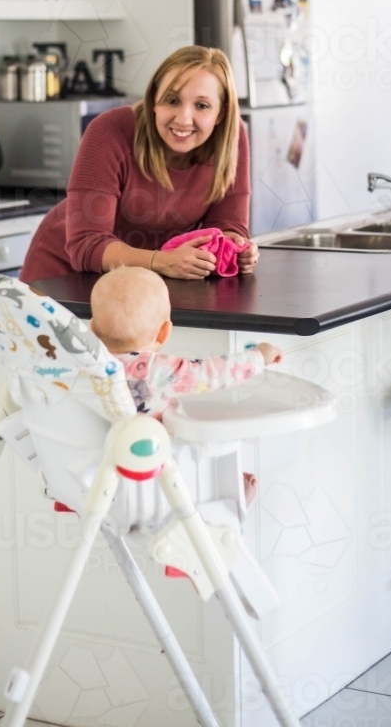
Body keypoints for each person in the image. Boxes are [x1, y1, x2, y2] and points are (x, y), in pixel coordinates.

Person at [21, 45, 259, 283]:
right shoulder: (109, 131)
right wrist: (161, 261)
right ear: (154, 99)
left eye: (202, 105)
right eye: (172, 100)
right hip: (65, 278)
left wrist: (234, 247)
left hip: (145, 280)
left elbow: (226, 226)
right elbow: (87, 243)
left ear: (220, 114)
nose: (184, 119)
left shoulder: (230, 137)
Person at [89, 266, 282, 505]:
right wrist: (259, 356)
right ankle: (228, 504)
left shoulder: (80, 365)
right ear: (164, 333)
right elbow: (213, 373)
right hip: (151, 484)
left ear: (92, 328)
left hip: (98, 481)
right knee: (196, 440)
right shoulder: (153, 370)